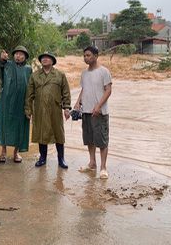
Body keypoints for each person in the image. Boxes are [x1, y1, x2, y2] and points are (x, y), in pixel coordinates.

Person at [25, 51, 71, 169]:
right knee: (42, 132)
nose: (45, 59)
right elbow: (29, 95)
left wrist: (66, 108)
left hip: (55, 109)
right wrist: (28, 110)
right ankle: (42, 158)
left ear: (52, 61)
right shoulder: (34, 76)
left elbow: (66, 93)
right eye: (43, 58)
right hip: (39, 108)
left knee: (58, 133)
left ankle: (61, 159)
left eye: (47, 58)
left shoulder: (60, 75)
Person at [74, 46, 112, 179]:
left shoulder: (104, 71)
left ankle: (103, 167)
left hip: (100, 112)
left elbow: (108, 90)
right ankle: (92, 163)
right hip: (86, 111)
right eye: (84, 55)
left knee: (101, 139)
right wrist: (78, 102)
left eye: (88, 55)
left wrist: (99, 105)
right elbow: (84, 89)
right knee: (89, 138)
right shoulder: (84, 73)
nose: (86, 58)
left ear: (96, 56)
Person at [0, 46, 32, 163]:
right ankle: (3, 152)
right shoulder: (8, 65)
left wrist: (30, 105)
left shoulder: (29, 69)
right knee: (5, 124)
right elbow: (1, 63)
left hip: (21, 103)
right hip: (6, 102)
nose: (18, 56)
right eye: (16, 54)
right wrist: (2, 58)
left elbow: (31, 87)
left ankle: (16, 153)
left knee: (20, 126)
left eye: (21, 54)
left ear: (25, 57)